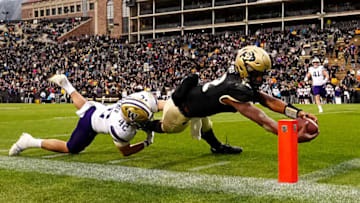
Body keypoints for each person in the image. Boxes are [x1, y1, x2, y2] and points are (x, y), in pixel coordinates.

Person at [145, 46, 319, 152]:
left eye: (261, 75)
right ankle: (142, 124)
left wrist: (297, 113)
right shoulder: (234, 90)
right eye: (256, 74)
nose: (259, 79)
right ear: (244, 69)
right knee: (165, 127)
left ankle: (217, 147)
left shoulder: (237, 77)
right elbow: (262, 119)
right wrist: (290, 136)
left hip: (196, 104)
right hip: (180, 112)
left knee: (207, 126)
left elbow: (268, 100)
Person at [9, 74, 165, 157]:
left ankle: (66, 84)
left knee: (85, 105)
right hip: (90, 123)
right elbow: (126, 152)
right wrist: (146, 143)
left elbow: (161, 105)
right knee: (70, 148)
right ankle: (29, 142)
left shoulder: (131, 101)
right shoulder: (123, 130)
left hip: (98, 109)